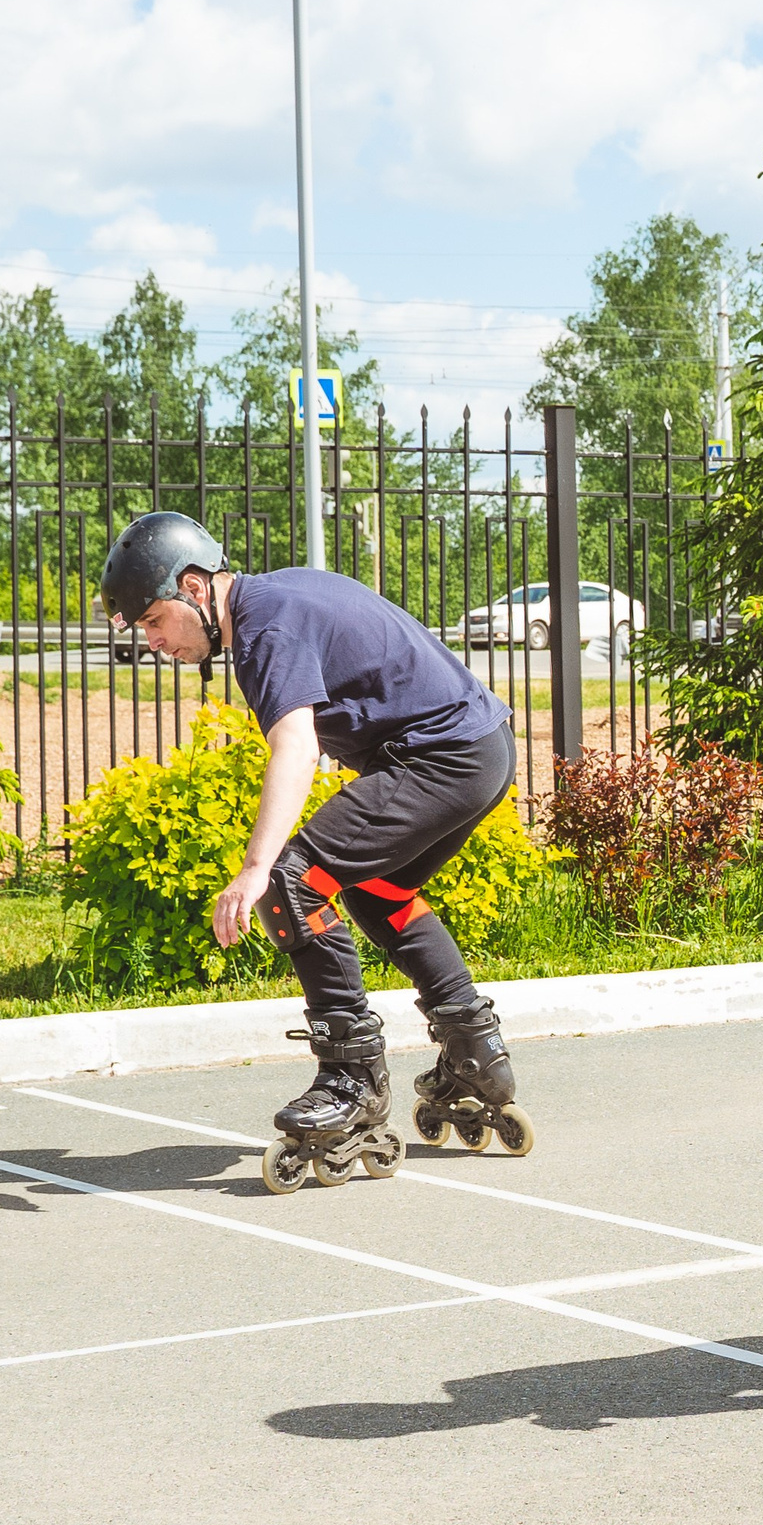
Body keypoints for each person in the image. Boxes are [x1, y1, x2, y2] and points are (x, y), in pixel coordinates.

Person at [98, 511, 530, 1193]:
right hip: (480, 749)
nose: (153, 641)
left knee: (290, 882)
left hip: (443, 756)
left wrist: (254, 867)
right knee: (373, 887)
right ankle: (475, 1053)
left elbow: (296, 746)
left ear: (195, 589)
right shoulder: (274, 601)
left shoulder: (266, 627)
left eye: (155, 620)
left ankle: (353, 1078)